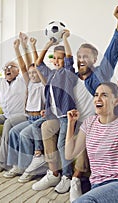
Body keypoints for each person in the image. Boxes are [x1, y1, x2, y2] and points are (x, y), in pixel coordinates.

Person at [37, 5, 118, 201]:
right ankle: (54, 173)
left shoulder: (97, 78)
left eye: (86, 56)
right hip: (68, 120)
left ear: (95, 60)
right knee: (46, 127)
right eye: (79, 56)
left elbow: (112, 54)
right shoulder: (68, 75)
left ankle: (75, 179)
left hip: (89, 124)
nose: (81, 59)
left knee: (84, 138)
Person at [65, 75, 118, 202]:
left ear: (116, 101)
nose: (98, 99)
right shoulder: (89, 123)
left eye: (104, 95)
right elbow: (69, 154)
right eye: (96, 95)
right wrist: (71, 124)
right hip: (96, 187)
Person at [31, 29, 79, 193]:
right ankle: (43, 161)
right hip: (54, 116)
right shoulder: (51, 75)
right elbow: (38, 63)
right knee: (36, 127)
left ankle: (67, 175)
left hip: (66, 115)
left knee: (61, 143)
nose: (57, 60)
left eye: (61, 58)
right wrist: (49, 44)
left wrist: (65, 39)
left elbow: (69, 60)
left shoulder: (68, 73)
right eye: (55, 58)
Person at [5, 33, 46, 181]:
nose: (32, 74)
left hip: (39, 119)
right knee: (13, 132)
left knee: (23, 134)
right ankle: (17, 165)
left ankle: (28, 167)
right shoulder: (30, 82)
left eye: (35, 72)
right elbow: (23, 66)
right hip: (30, 117)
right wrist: (18, 48)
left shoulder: (43, 83)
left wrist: (30, 46)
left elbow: (36, 65)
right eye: (30, 73)